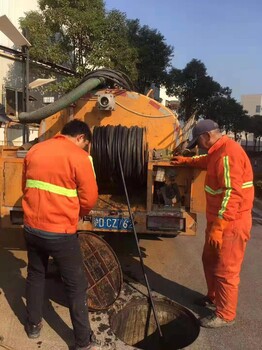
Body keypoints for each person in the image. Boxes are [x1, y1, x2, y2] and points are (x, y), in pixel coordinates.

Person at [22, 119, 100, 350]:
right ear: (81, 138)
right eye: (85, 144)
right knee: (76, 285)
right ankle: (82, 342)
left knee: (36, 275)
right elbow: (90, 198)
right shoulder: (79, 157)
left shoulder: (35, 150)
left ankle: (33, 326)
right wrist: (77, 214)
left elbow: (25, 187)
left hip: (32, 228)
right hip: (61, 233)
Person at [172, 119, 254, 328]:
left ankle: (226, 315)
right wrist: (184, 161)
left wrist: (218, 228)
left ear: (206, 136)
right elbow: (204, 161)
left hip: (231, 223)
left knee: (226, 268)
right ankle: (214, 296)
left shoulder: (229, 153)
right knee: (209, 260)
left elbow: (232, 194)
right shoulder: (216, 152)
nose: (197, 146)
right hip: (217, 221)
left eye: (198, 142)